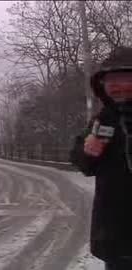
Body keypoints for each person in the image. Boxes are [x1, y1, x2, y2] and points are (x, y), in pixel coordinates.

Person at [70, 46, 132, 270]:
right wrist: (86, 150)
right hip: (115, 232)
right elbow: (83, 163)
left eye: (126, 78)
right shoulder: (103, 120)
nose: (118, 86)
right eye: (112, 80)